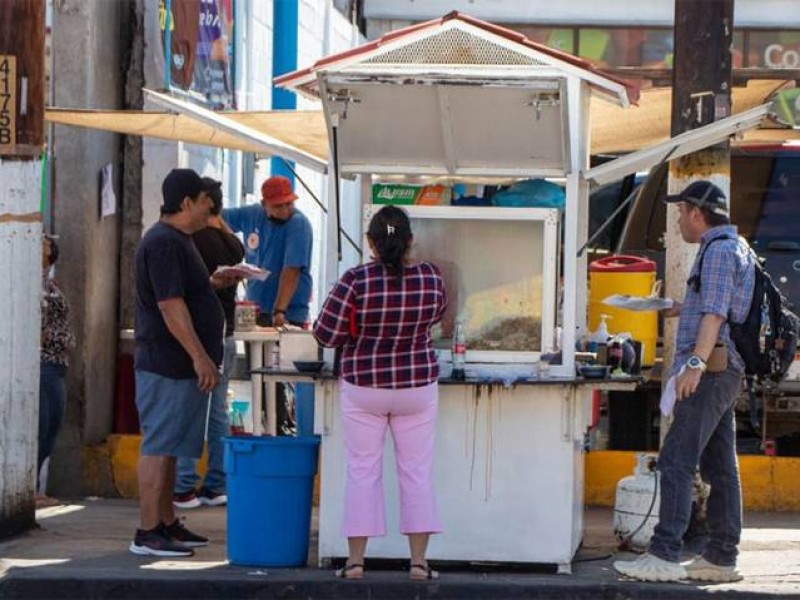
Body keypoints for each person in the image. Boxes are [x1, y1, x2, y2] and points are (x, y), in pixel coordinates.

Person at [614, 181, 755, 583]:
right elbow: (713, 305)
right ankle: (721, 557)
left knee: (676, 460)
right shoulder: (734, 246)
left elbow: (716, 315)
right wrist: (674, 307)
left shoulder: (717, 251)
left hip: (711, 370)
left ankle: (664, 554)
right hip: (725, 369)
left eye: (679, 213)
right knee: (720, 466)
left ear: (696, 212)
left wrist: (694, 364)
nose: (676, 221)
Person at [313, 205, 448, 581]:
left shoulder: (355, 280)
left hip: (364, 385)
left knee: (362, 471)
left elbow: (325, 333)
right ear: (409, 241)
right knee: (417, 472)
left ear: (371, 242)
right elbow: (438, 316)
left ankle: (355, 563)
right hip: (417, 385)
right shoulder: (430, 277)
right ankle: (419, 563)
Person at [130, 168, 241, 557]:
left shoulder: (180, 240)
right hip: (168, 363)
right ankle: (147, 531)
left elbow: (181, 291)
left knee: (172, 446)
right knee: (159, 445)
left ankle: (166, 523)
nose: (210, 216)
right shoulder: (163, 243)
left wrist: (210, 286)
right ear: (186, 203)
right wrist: (200, 357)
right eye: (206, 207)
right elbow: (169, 305)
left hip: (179, 365)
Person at [172, 177, 245, 510]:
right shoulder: (229, 244)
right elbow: (239, 248)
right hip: (225, 335)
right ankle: (215, 484)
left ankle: (184, 485)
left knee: (189, 410)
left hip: (199, 339)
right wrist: (220, 218)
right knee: (217, 412)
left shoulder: (192, 240)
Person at [223, 175, 312, 328]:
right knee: (255, 352)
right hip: (255, 308)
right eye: (278, 206)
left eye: (289, 204)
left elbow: (291, 272)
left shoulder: (298, 225)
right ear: (264, 204)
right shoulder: (251, 214)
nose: (285, 210)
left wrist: (279, 311)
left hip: (288, 314)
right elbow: (216, 217)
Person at [37, 234, 75, 508]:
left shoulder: (48, 284)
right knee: (43, 427)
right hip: (45, 362)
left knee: (50, 428)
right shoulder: (33, 285)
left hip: (56, 362)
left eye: (46, 242)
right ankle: (29, 491)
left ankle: (33, 489)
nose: (42, 242)